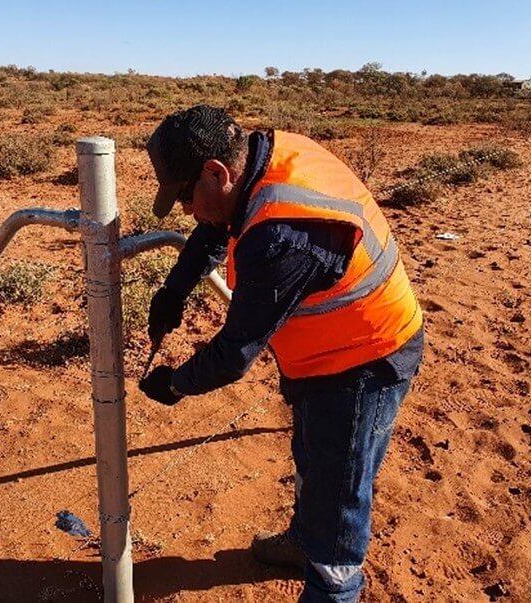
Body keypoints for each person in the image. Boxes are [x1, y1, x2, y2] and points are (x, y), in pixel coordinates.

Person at [138, 105, 424, 602]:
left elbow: (233, 354)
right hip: (324, 357)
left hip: (365, 361)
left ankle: (332, 583)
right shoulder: (261, 160)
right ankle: (301, 542)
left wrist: (174, 383)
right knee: (312, 457)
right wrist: (175, 289)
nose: (184, 210)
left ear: (216, 171)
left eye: (184, 195)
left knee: (338, 500)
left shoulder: (281, 236)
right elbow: (216, 222)